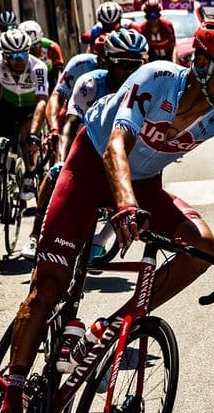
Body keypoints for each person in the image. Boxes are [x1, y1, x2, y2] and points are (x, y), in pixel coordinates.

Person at [0, 18, 214, 413]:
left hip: (144, 182)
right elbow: (117, 146)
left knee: (203, 247)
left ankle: (116, 323)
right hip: (91, 167)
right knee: (48, 287)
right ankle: (11, 404)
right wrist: (125, 205)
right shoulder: (157, 79)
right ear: (205, 63)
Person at [21, 30, 149, 259]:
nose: (130, 72)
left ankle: (101, 239)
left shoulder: (147, 89)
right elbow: (70, 124)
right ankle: (34, 234)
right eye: (123, 64)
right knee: (53, 176)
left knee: (140, 188)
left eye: (136, 65)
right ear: (107, 61)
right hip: (86, 145)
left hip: (122, 151)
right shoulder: (89, 82)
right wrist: (61, 160)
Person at [0, 28, 49, 202]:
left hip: (31, 107)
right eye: (14, 57)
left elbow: (42, 101)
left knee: (28, 136)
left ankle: (28, 176)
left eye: (23, 55)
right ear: (4, 56)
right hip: (9, 105)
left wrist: (34, 134)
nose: (20, 61)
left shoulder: (37, 67)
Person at [18, 20, 64, 90]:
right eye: (27, 49)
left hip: (49, 75)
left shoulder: (52, 47)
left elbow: (59, 73)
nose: (33, 51)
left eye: (36, 45)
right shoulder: (17, 51)